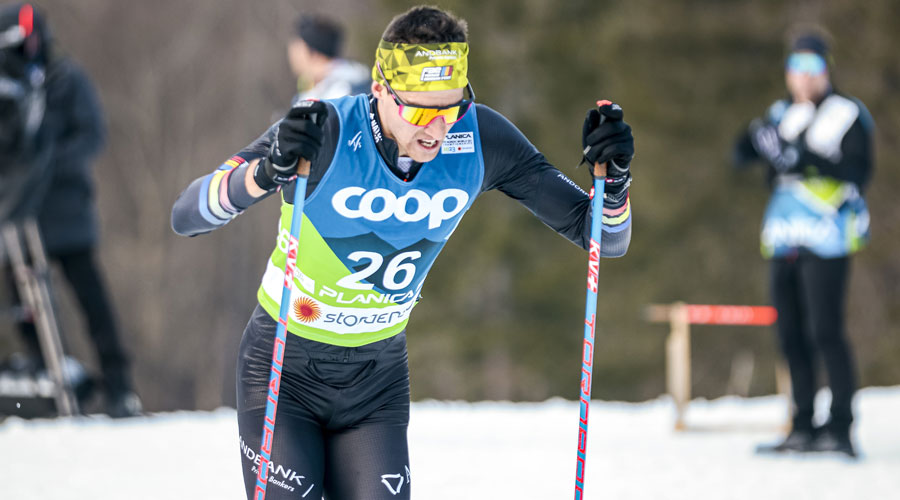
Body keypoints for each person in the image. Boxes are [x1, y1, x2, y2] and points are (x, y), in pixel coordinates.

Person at [172, 5, 634, 498]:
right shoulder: (325, 130)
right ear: (380, 91)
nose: (436, 130)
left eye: (451, 109)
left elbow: (603, 239)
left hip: (377, 381)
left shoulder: (480, 139)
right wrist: (266, 173)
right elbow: (188, 214)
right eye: (418, 111)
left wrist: (618, 182)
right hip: (284, 372)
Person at [733, 30, 873, 458]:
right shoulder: (782, 113)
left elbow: (858, 169)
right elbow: (742, 156)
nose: (805, 77)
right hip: (783, 238)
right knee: (790, 335)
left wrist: (803, 158)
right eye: (797, 67)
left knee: (825, 331)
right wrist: (755, 139)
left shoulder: (846, 113)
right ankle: (803, 423)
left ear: (827, 69)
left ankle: (841, 426)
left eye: (813, 67)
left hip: (827, 239)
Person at [0, 3, 141, 418]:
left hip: (67, 215)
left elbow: (92, 135)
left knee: (92, 301)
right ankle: (46, 377)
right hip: (17, 217)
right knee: (24, 302)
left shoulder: (67, 79)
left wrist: (47, 164)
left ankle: (119, 387)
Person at [287, 13, 369, 103]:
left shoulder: (344, 90)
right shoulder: (318, 89)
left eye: (297, 48)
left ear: (314, 53)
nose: (292, 55)